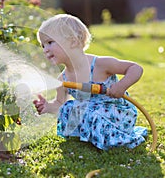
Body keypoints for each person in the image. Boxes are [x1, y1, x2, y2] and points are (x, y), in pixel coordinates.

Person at [33, 14, 147, 150]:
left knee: (91, 111)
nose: (45, 49)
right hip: (91, 113)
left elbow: (135, 68)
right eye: (43, 45)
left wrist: (121, 86)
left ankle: (113, 137)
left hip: (117, 113)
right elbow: (59, 103)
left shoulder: (100, 64)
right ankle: (89, 136)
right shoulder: (63, 79)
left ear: (73, 41)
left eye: (50, 42)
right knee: (68, 107)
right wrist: (47, 107)